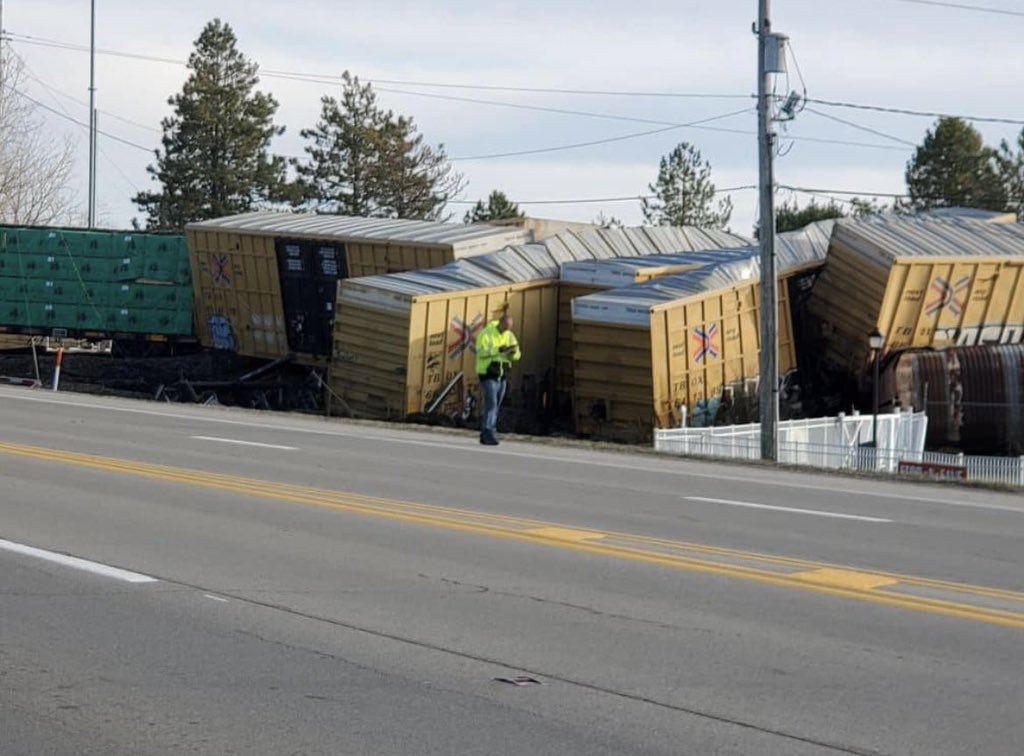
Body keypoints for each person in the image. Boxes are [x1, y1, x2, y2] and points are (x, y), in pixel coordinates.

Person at [475, 314, 521, 445]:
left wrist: (512, 353)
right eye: (505, 327)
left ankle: (489, 432)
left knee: (496, 405)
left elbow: (518, 353)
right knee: (492, 404)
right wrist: (498, 350)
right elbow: (480, 352)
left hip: (502, 374)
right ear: (500, 323)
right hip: (488, 373)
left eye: (509, 328)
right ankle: (488, 432)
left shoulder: (509, 335)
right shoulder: (486, 333)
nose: (507, 330)